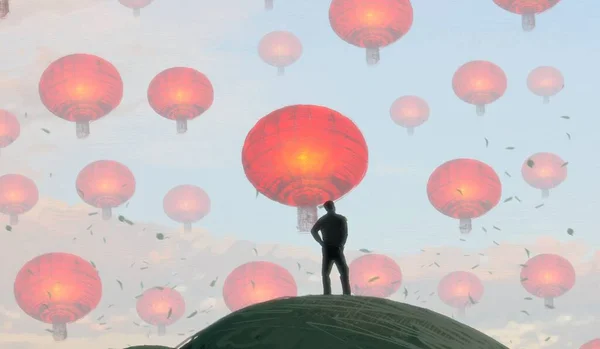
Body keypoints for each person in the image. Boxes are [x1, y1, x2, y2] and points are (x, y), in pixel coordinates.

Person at [310, 200, 351, 295]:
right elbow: (345, 233)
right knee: (343, 271)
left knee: (325, 273)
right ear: (333, 207)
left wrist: (321, 242)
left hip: (327, 248)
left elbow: (313, 231)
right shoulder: (340, 219)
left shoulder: (323, 219)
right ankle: (346, 292)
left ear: (326, 208)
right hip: (337, 248)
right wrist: (341, 244)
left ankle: (327, 293)